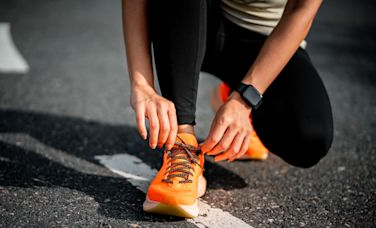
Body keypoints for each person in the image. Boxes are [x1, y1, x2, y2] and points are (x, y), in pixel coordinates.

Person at [122, 0, 333, 218]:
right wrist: (142, 85)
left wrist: (245, 100)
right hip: (193, 24)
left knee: (308, 138)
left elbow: (301, 12)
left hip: (266, 43)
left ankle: (232, 96)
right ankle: (183, 146)